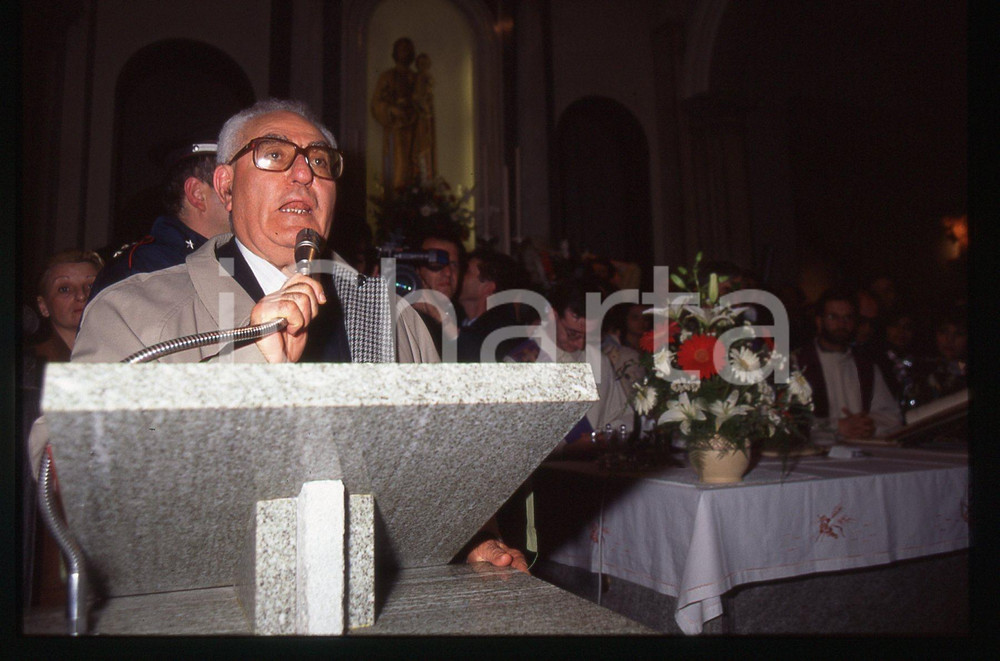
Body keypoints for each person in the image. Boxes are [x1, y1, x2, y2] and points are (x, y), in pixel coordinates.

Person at [68, 99, 523, 571]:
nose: (304, 174)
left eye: (319, 160)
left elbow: (442, 461)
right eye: (273, 154)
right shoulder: (136, 310)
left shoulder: (395, 319)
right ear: (225, 185)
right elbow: (71, 469)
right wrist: (252, 363)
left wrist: (474, 538)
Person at [21, 249, 104, 608]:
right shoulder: (30, 367)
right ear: (42, 306)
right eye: (65, 289)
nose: (81, 297)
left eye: (90, 285)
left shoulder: (123, 355)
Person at [505, 279, 635, 454]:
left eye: (588, 335)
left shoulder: (598, 360)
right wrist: (566, 449)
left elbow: (623, 415)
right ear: (553, 315)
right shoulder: (520, 363)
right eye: (573, 333)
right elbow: (513, 439)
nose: (580, 344)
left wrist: (606, 436)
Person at [89, 141, 231, 298]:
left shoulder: (230, 260)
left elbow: (228, 318)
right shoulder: (139, 272)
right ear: (197, 194)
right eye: (234, 187)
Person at [794, 289, 901, 442]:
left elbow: (891, 416)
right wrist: (837, 427)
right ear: (819, 321)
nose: (841, 324)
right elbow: (786, 420)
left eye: (848, 317)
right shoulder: (796, 363)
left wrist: (867, 425)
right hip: (813, 453)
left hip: (862, 452)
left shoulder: (866, 366)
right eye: (833, 317)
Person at [455, 249, 523, 363]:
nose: (456, 275)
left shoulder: (501, 336)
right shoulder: (460, 321)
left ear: (488, 288)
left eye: (466, 272)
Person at [371, 37, 418, 193]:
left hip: (415, 130)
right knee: (398, 166)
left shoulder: (416, 78)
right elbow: (377, 103)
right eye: (401, 49)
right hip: (395, 130)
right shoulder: (387, 76)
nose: (404, 52)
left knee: (415, 165)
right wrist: (391, 110)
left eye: (407, 49)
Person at [411, 227, 464, 359]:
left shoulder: (463, 317)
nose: (448, 273)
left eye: (453, 265)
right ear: (417, 270)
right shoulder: (404, 317)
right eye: (437, 264)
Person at [412, 52, 437, 181]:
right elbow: (415, 97)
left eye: (425, 64)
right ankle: (420, 174)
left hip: (426, 118)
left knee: (427, 145)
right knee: (420, 146)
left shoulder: (428, 79)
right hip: (419, 117)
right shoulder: (417, 79)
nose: (423, 66)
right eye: (421, 64)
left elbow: (428, 98)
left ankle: (427, 175)